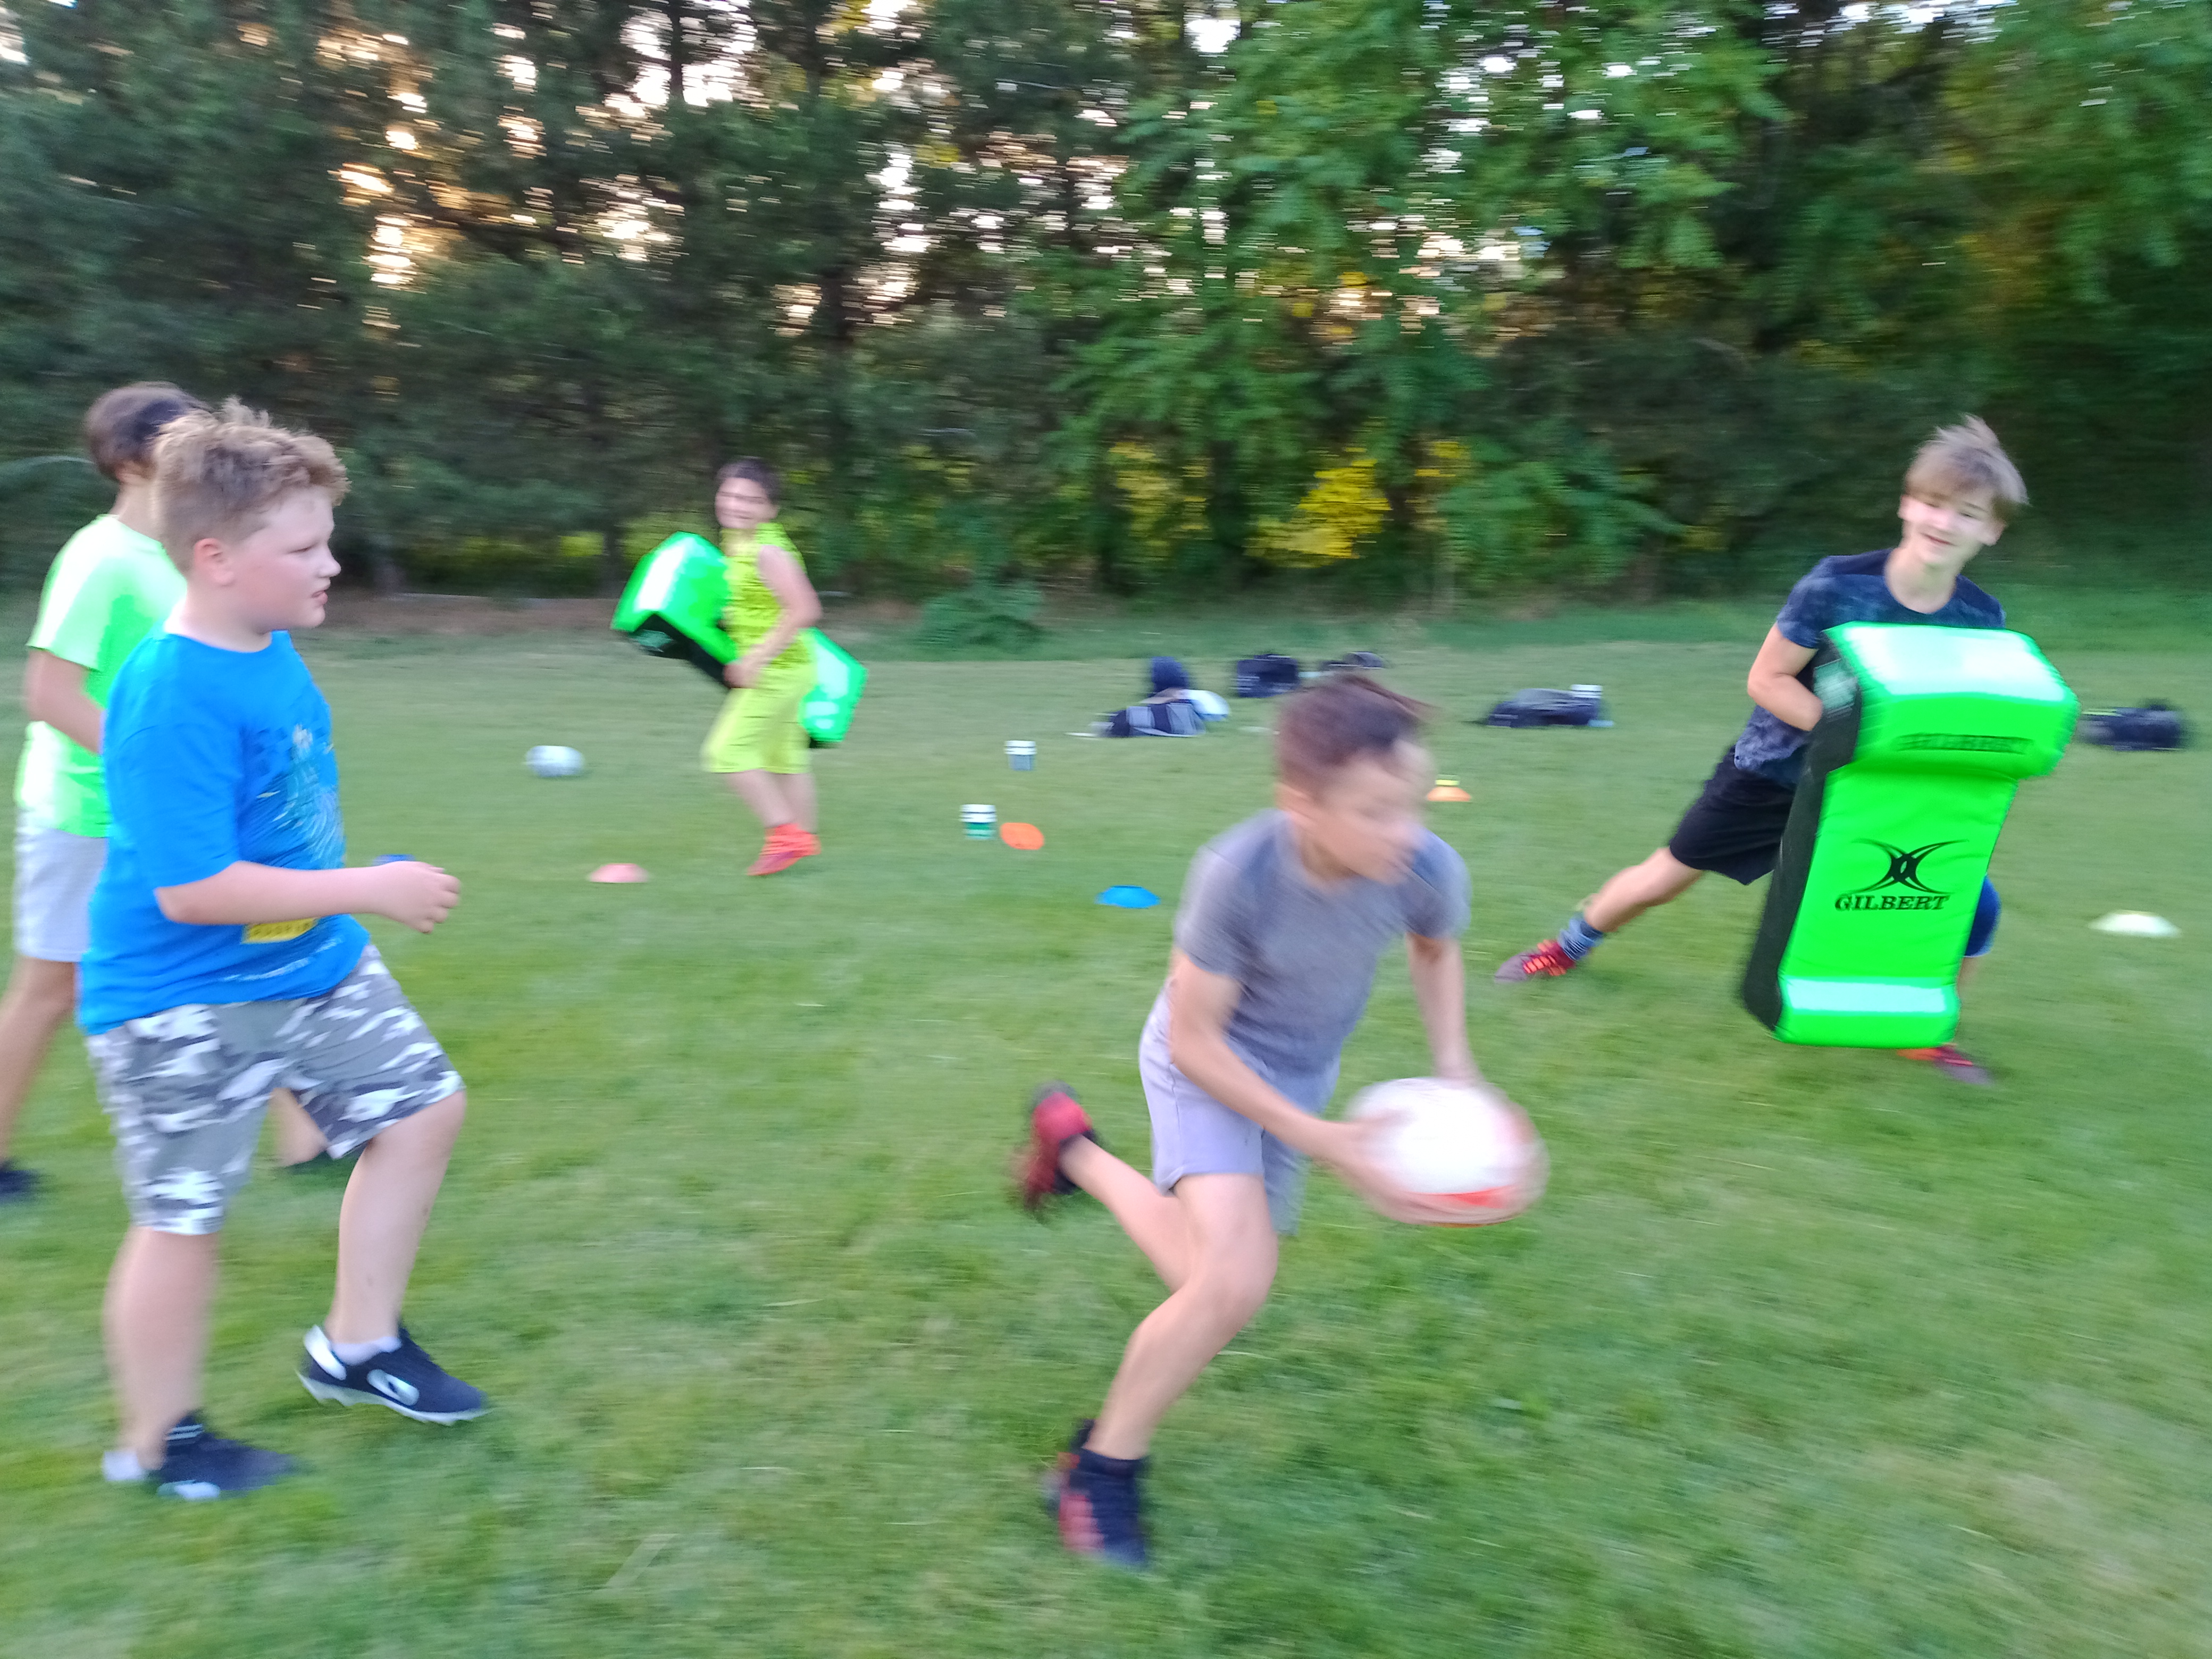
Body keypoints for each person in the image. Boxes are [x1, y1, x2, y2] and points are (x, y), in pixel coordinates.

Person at [88, 401, 483, 1499]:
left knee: (422, 1111)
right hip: (180, 1000)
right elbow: (192, 891)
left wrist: (341, 904)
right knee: (184, 1218)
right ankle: (158, 1444)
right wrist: (369, 888)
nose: (330, 564)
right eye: (303, 548)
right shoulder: (169, 692)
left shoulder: (264, 645)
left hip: (309, 960)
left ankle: (359, 1346)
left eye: (327, 541)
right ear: (216, 558)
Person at [1014, 674, 1493, 1569]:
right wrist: (1325, 1143)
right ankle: (1099, 1472)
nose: (1407, 832)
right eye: (1377, 812)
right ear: (1301, 805)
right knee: (1230, 1284)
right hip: (1205, 1063)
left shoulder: (1423, 867)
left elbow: (1435, 948)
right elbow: (1195, 1042)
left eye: (1414, 804)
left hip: (1298, 1074)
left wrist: (1455, 1068)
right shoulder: (1239, 874)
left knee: (1210, 1281)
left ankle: (1071, 1148)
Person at [1494, 416, 2023, 1085]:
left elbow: (1963, 714)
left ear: (1990, 530)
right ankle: (1566, 947)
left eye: (1966, 513)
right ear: (1905, 504)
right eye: (1932, 503)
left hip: (1882, 792)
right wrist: (1852, 740)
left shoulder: (1980, 618)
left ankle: (1926, 1026)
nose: (1943, 523)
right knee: (1666, 876)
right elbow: (1767, 679)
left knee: (1968, 902)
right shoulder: (1836, 586)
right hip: (1774, 775)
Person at [700, 458, 824, 876]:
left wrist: (755, 659)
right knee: (783, 758)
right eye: (730, 495)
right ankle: (803, 838)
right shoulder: (737, 541)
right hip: (792, 667)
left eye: (751, 500)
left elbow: (805, 610)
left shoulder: (768, 551)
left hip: (778, 671)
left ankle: (785, 837)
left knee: (727, 752)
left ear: (771, 509)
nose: (736, 505)